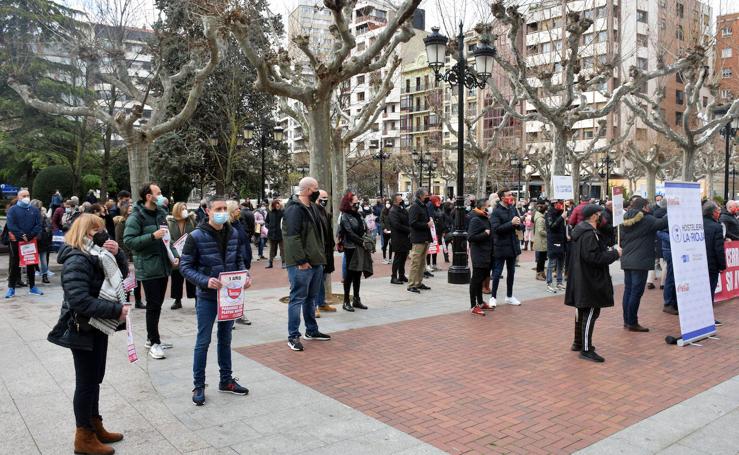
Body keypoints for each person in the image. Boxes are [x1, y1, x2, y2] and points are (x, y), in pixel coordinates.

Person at [47, 213, 128, 455]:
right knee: (86, 383)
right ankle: (83, 437)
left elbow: (119, 274)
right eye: (98, 230)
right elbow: (79, 300)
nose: (103, 233)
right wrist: (116, 310)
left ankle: (95, 425)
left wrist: (118, 253)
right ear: (86, 232)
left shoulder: (97, 254)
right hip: (81, 328)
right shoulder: (77, 258)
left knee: (95, 378)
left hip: (97, 325)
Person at [179, 196, 251, 406]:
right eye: (218, 208)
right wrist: (205, 281)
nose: (222, 212)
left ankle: (226, 380)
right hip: (208, 297)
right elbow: (185, 266)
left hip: (229, 297)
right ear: (208, 211)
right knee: (203, 341)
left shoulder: (234, 233)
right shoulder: (196, 236)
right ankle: (199, 384)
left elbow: (238, 260)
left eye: (224, 208)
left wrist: (245, 276)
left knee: (226, 338)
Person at [123, 183, 178, 359]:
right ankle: (154, 342)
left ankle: (151, 338)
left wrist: (174, 256)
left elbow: (167, 239)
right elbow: (129, 241)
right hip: (148, 267)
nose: (162, 196)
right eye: (158, 193)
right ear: (148, 196)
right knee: (153, 306)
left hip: (163, 266)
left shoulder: (161, 214)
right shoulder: (136, 217)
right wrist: (152, 236)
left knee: (157, 304)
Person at [564, 205, 621, 363]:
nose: (603, 217)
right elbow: (594, 258)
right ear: (594, 217)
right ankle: (586, 348)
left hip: (583, 277)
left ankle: (579, 342)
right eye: (600, 214)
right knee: (590, 312)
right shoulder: (588, 234)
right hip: (589, 279)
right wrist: (614, 254)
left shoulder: (583, 231)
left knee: (582, 311)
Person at [283, 177, 331, 351]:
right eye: (316, 188)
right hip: (301, 264)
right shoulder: (294, 209)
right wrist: (301, 260)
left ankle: (311, 330)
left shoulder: (313, 208)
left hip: (316, 260)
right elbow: (291, 237)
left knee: (311, 298)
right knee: (297, 298)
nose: (318, 191)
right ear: (308, 189)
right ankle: (293, 336)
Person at [619, 196, 668, 332]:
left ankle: (627, 320)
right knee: (636, 292)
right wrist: (672, 208)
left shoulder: (624, 219)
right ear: (644, 207)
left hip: (627, 259)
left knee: (628, 291)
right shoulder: (646, 219)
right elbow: (663, 223)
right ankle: (632, 322)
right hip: (640, 261)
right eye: (648, 206)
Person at [5, 189, 43, 298]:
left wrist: (30, 236)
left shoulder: (34, 210)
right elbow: (11, 225)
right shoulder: (13, 210)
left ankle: (32, 287)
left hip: (30, 241)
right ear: (18, 197)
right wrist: (22, 235)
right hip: (17, 241)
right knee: (15, 264)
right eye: (24, 195)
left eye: (28, 195)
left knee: (31, 263)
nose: (26, 197)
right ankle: (11, 288)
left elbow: (38, 224)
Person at [338, 192, 370, 311]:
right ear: (349, 202)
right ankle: (346, 301)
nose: (357, 203)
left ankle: (356, 299)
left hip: (360, 247)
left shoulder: (359, 214)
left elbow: (364, 228)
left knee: (358, 274)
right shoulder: (345, 216)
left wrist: (366, 238)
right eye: (355, 201)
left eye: (358, 201)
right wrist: (362, 242)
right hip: (350, 248)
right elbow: (349, 233)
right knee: (349, 275)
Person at [490, 188, 523, 306]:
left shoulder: (513, 209)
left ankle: (509, 296)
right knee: (497, 272)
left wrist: (519, 224)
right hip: (500, 246)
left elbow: (519, 225)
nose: (511, 197)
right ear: (502, 198)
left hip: (512, 245)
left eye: (511, 195)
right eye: (509, 195)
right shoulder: (496, 212)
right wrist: (511, 223)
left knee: (511, 272)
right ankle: (493, 297)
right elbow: (496, 229)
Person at [227, 201, 253, 326]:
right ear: (231, 211)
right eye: (237, 209)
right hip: (233, 262)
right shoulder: (227, 226)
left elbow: (244, 241)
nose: (239, 210)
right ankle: (229, 317)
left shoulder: (238, 223)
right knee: (230, 290)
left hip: (243, 260)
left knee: (239, 290)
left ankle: (238, 314)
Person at [167, 202, 197, 310]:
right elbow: (168, 237)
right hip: (176, 253)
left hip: (190, 252)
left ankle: (196, 299)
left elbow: (196, 233)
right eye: (182, 209)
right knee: (176, 278)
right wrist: (175, 247)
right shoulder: (170, 222)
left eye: (186, 208)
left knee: (192, 276)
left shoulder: (192, 220)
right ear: (176, 211)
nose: (185, 211)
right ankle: (177, 300)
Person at [468, 200, 495, 316]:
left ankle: (480, 302)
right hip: (479, 253)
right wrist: (485, 234)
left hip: (487, 253)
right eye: (488, 206)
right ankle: (473, 305)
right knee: (476, 279)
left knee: (482, 278)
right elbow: (471, 237)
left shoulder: (484, 217)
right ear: (482, 207)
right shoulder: (476, 219)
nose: (489, 208)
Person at [114, 200, 143, 309]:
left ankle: (138, 300)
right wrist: (126, 256)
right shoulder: (121, 224)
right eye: (129, 211)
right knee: (127, 279)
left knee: (137, 279)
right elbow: (119, 241)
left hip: (135, 254)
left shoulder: (136, 223)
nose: (131, 213)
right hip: (126, 256)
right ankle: (125, 301)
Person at [314, 190, 337, 316]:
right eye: (323, 198)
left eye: (327, 198)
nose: (325, 200)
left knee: (322, 279)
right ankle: (314, 306)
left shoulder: (325, 213)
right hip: (317, 251)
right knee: (315, 280)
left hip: (326, 251)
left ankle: (321, 303)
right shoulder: (313, 212)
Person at [407, 188, 433, 293]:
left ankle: (418, 282)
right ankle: (411, 284)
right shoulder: (415, 207)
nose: (428, 197)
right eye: (426, 195)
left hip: (425, 238)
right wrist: (426, 225)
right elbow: (413, 223)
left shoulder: (423, 206)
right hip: (418, 239)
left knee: (422, 262)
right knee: (416, 262)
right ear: (420, 196)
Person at [703, 201, 727, 305]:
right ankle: (707, 317)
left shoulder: (697, 223)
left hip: (697, 263)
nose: (719, 213)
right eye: (717, 211)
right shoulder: (717, 227)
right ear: (713, 213)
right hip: (711, 264)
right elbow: (719, 249)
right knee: (710, 290)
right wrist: (722, 265)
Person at [545, 200, 567, 293]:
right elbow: (552, 226)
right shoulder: (549, 213)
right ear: (555, 204)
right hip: (553, 240)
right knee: (552, 263)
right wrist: (562, 218)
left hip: (562, 240)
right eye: (560, 203)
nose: (562, 205)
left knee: (561, 262)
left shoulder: (562, 212)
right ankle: (549, 283)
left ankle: (559, 282)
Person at [388, 193, 411, 285]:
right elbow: (396, 224)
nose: (401, 200)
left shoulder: (402, 209)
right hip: (398, 237)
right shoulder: (393, 211)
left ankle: (401, 275)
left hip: (405, 237)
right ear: (395, 201)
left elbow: (407, 218)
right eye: (400, 199)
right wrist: (408, 229)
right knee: (398, 257)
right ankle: (393, 277)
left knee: (404, 257)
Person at [647, 198, 667, 290]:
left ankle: (650, 281)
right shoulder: (668, 214)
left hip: (654, 239)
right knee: (664, 263)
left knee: (654, 261)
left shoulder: (654, 213)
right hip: (664, 240)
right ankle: (663, 283)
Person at [30, 200, 52, 284]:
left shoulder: (31, 216)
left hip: (34, 240)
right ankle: (44, 276)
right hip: (42, 241)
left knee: (32, 259)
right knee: (43, 259)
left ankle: (32, 277)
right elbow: (48, 228)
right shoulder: (43, 216)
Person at [265, 199, 285, 269]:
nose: (278, 206)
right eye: (276, 205)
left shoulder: (282, 212)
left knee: (282, 249)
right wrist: (268, 226)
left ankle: (284, 263)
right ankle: (270, 263)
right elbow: (266, 221)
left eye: (278, 205)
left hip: (280, 233)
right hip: (271, 233)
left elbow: (285, 221)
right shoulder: (269, 212)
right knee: (272, 249)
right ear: (273, 205)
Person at [532, 199, 548, 281]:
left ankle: (541, 272)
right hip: (542, 241)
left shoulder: (539, 217)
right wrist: (549, 233)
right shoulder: (540, 219)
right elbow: (541, 231)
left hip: (542, 241)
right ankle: (539, 273)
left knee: (542, 258)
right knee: (541, 259)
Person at [380, 199, 393, 264]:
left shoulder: (393, 211)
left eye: (389, 203)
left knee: (391, 245)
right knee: (384, 245)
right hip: (385, 231)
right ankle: (384, 258)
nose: (387, 204)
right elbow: (381, 220)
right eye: (386, 203)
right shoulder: (383, 210)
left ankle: (390, 259)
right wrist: (384, 228)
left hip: (391, 231)